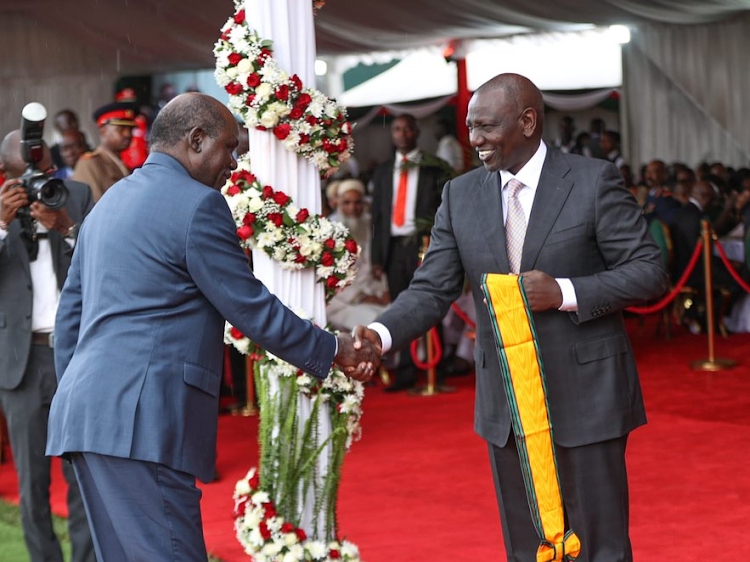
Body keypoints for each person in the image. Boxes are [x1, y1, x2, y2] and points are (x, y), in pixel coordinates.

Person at [45, 93, 377, 562]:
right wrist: (335, 349)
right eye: (229, 148)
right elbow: (251, 308)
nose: (234, 162)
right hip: (143, 422)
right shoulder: (198, 205)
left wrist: (85, 393)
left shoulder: (107, 202)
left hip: (86, 417)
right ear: (195, 140)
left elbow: (70, 317)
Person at [354, 73, 668, 561]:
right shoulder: (459, 196)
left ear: (527, 122)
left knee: (599, 548)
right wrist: (379, 334)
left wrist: (563, 292)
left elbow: (649, 271)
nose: (474, 139)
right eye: (469, 127)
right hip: (506, 403)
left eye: (485, 127)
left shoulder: (592, 180)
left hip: (588, 395)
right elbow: (431, 288)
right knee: (527, 548)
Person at [0, 131, 95, 562]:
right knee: (32, 485)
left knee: (85, 476)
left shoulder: (76, 195)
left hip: (76, 357)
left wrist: (68, 228)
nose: (39, 181)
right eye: (27, 175)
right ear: (8, 175)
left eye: (45, 171)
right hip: (20, 362)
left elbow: (107, 266)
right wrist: (2, 226)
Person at [370, 113, 447, 391]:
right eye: (397, 129)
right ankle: (405, 371)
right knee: (398, 309)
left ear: (416, 132)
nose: (401, 134)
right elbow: (377, 216)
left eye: (407, 129)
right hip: (393, 248)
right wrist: (377, 257)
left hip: (422, 245)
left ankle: (435, 370)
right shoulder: (382, 170)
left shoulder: (433, 168)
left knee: (430, 302)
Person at [327, 179, 389, 331]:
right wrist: (362, 297)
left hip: (374, 292)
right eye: (347, 202)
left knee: (402, 318)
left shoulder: (370, 225)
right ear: (337, 203)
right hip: (343, 302)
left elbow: (378, 262)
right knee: (378, 324)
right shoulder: (329, 229)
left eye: (357, 202)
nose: (352, 208)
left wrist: (385, 290)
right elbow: (330, 277)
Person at [72, 102, 135, 202]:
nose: (128, 134)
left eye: (130, 129)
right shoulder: (89, 163)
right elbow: (93, 209)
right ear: (103, 131)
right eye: (121, 129)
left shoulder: (122, 164)